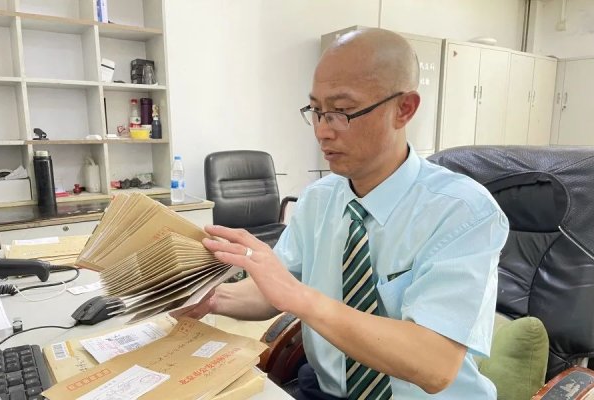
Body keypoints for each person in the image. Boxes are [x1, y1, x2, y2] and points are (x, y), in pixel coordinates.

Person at [174, 28, 509, 399]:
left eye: (342, 112)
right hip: (327, 392)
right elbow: (273, 292)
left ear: (404, 109)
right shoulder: (318, 200)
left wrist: (300, 297)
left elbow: (434, 364)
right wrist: (208, 297)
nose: (322, 131)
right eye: (316, 111)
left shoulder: (463, 211)